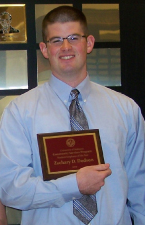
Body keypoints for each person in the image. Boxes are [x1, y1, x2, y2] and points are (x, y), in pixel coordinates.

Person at [0, 5, 144, 225]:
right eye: (56, 40)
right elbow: (11, 189)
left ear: (89, 43)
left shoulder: (126, 109)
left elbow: (140, 187)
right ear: (44, 49)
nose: (65, 47)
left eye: (73, 38)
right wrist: (74, 186)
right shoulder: (19, 112)